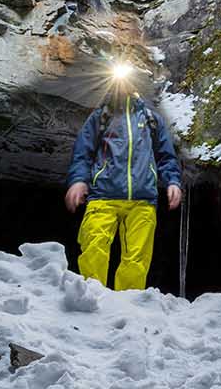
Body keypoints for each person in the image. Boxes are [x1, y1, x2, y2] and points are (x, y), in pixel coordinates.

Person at [63, 65, 182, 291]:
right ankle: (92, 298)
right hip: (103, 196)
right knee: (93, 247)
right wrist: (78, 181)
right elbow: (82, 154)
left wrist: (173, 182)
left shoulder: (151, 119)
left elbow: (166, 156)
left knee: (137, 259)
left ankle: (128, 304)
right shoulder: (100, 117)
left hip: (142, 199)